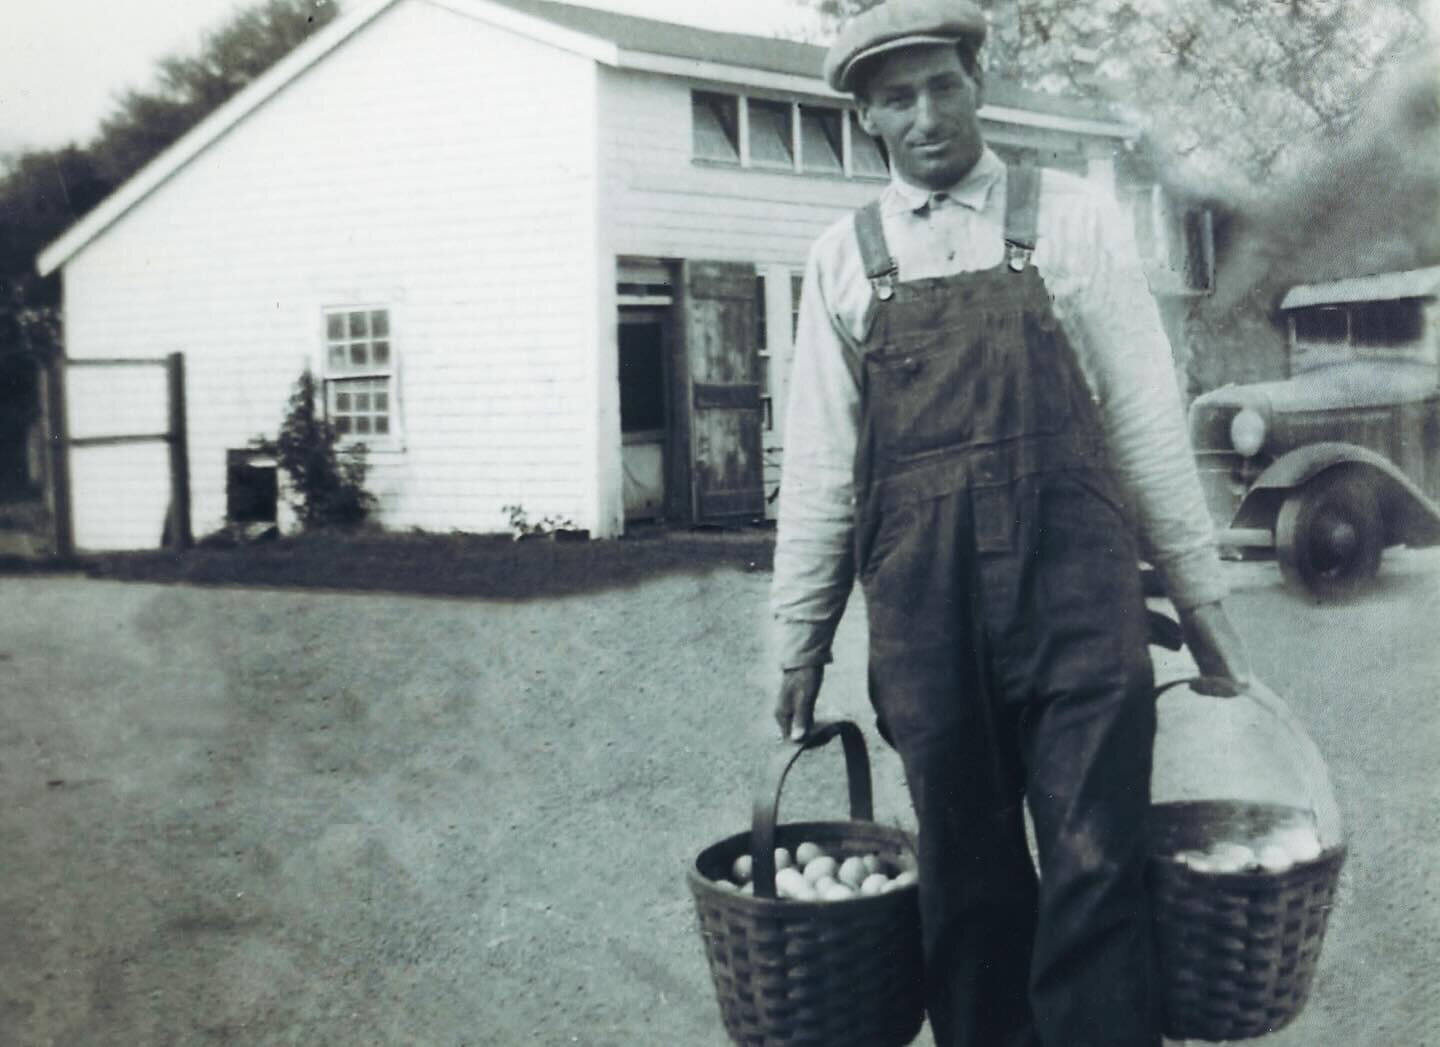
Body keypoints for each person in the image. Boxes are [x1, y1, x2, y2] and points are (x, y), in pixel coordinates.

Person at [769, 2, 1252, 1045]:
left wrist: (1202, 602)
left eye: (944, 84)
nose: (928, 113)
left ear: (977, 85)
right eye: (898, 97)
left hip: (1079, 601)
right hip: (925, 618)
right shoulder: (842, 259)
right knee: (967, 882)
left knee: (1094, 865)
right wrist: (797, 645)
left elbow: (1144, 420)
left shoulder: (1072, 218)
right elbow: (817, 470)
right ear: (867, 119)